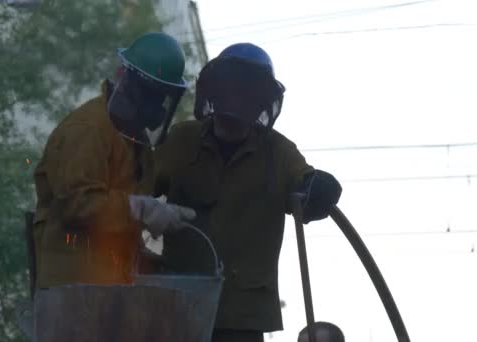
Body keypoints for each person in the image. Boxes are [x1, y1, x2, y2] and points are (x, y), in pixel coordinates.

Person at [148, 43, 342, 342]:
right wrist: (140, 206)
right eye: (228, 95)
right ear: (212, 95)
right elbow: (136, 185)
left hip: (242, 316)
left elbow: (303, 181)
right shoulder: (182, 141)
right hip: (179, 305)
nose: (232, 109)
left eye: (244, 97)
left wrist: (318, 187)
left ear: (260, 104)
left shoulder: (278, 153)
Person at [32, 32, 196, 289]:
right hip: (70, 288)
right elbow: (77, 205)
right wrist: (138, 209)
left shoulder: (135, 140)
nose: (151, 107)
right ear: (122, 76)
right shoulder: (88, 130)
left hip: (109, 289)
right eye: (145, 94)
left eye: (159, 98)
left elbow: (117, 228)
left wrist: (152, 263)